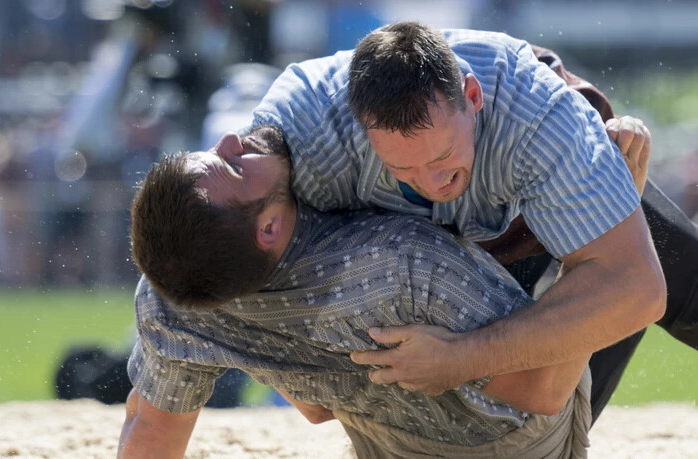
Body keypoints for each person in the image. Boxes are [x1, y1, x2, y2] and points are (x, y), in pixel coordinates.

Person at [216, 22, 698, 416]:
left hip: (539, 210)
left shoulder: (540, 116)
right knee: (508, 428)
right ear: (360, 126)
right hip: (437, 259)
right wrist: (304, 381)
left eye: (443, 157)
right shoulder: (305, 136)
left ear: (472, 96)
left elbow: (631, 288)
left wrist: (466, 357)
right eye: (404, 166)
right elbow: (237, 232)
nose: (431, 180)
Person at [118, 126, 601, 457]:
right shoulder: (396, 266)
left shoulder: (175, 298)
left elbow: (151, 425)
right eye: (233, 166)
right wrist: (590, 249)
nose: (228, 140)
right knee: (616, 263)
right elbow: (543, 388)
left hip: (382, 445)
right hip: (521, 445)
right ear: (267, 229)